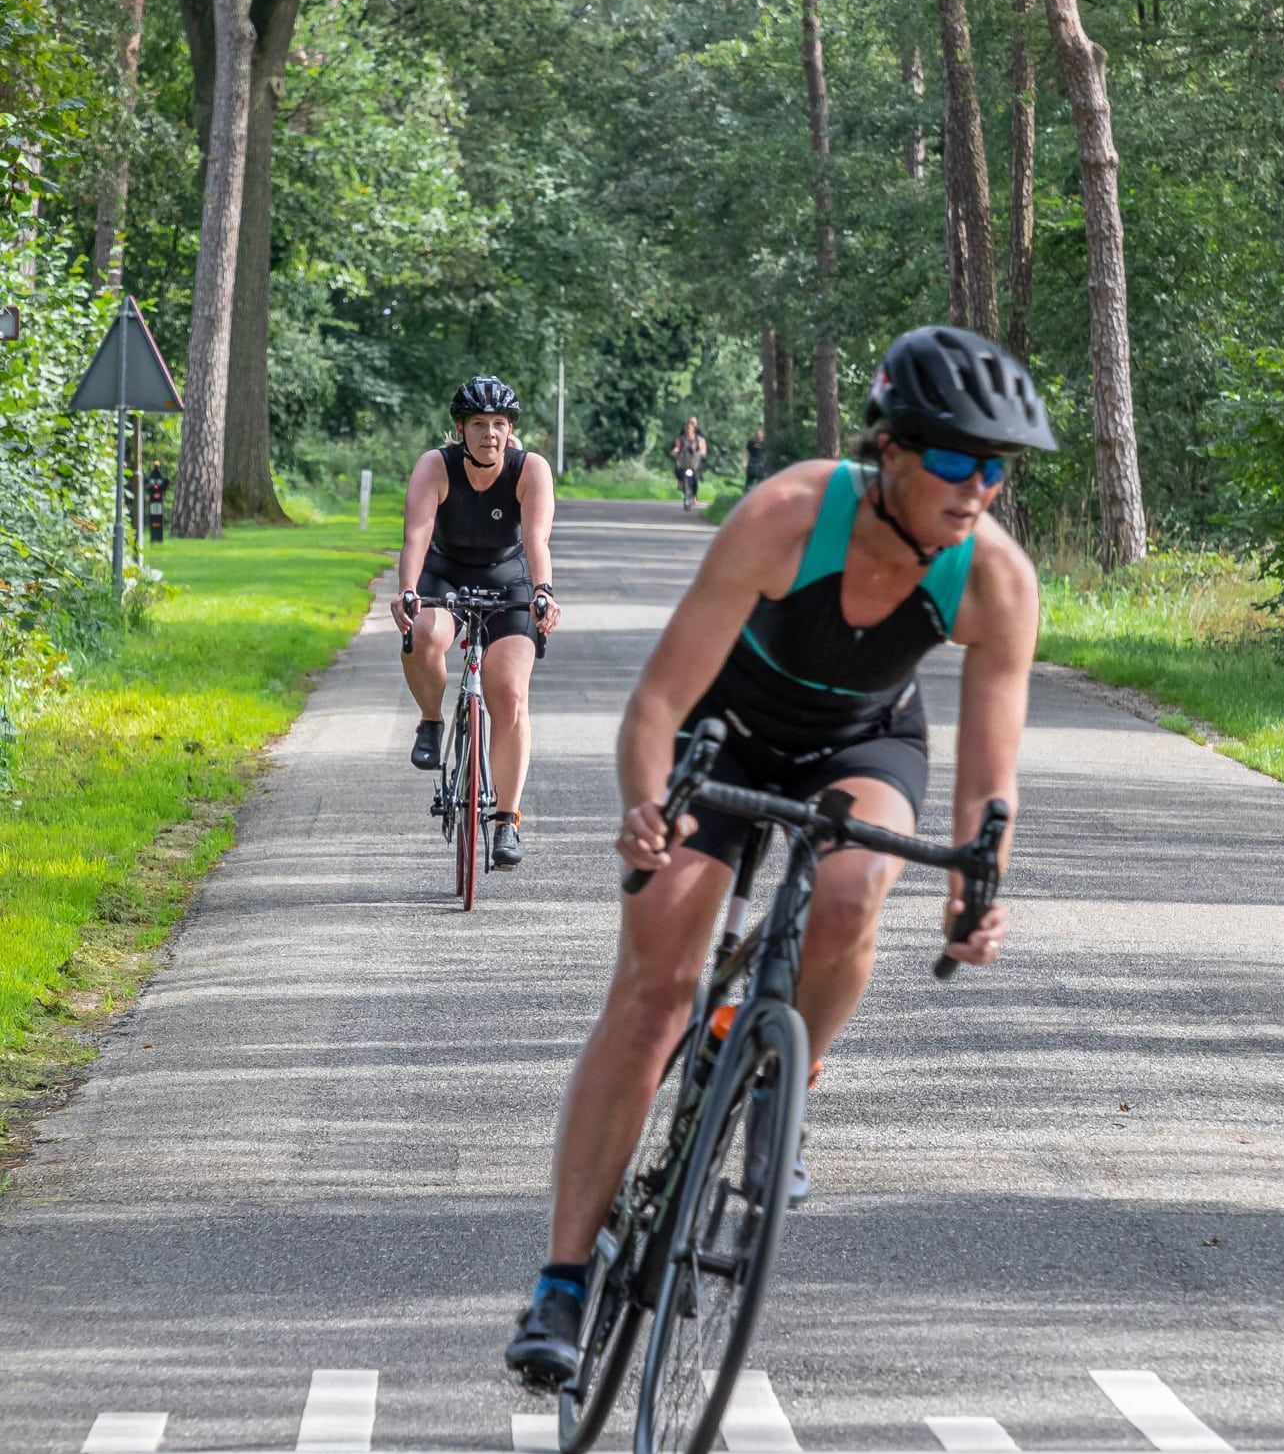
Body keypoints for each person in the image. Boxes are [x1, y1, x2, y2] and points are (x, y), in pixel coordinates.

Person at [507, 325, 1056, 1387]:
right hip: (723, 731)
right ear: (888, 450)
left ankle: (777, 1081)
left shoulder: (995, 578)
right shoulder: (788, 514)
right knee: (657, 984)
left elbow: (989, 778)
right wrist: (640, 803)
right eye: (951, 458)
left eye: (993, 467)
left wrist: (974, 889)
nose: (974, 487)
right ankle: (564, 1282)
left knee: (855, 887)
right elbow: (659, 700)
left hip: (859, 739)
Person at [393, 375, 561, 870]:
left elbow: (537, 541)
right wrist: (407, 590)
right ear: (460, 429)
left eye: (500, 425)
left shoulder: (530, 468)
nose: (491, 434)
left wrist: (544, 592)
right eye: (480, 424)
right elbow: (416, 537)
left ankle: (506, 819)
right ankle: (430, 720)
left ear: (511, 430)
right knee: (425, 633)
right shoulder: (436, 466)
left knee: (508, 692)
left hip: (509, 578)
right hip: (444, 573)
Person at [670, 414, 707, 512]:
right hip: (683, 464)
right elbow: (677, 448)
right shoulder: (680, 439)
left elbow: (703, 450)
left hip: (693, 464)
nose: (688, 429)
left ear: (694, 428)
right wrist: (674, 452)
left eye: (690, 427)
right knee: (680, 475)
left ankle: (693, 495)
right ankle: (684, 492)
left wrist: (700, 453)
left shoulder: (699, 439)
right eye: (686, 427)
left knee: (695, 481)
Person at [145, 460, 168, 547]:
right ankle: (155, 536)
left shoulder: (157, 478)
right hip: (154, 502)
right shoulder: (157, 478)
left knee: (157, 517)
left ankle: (158, 537)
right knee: (154, 517)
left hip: (157, 502)